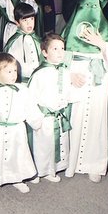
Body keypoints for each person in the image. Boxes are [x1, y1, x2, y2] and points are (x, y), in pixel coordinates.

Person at [61, 0, 108, 183]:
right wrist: (68, 75)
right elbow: (59, 57)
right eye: (84, 6)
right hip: (77, 80)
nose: (89, 10)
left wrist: (101, 45)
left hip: (98, 82)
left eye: (93, 6)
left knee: (96, 120)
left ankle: (94, 164)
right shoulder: (69, 32)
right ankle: (71, 163)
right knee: (75, 120)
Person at [0, 52, 43, 193]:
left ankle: (18, 179)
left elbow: (30, 108)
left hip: (16, 130)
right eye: (9, 71)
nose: (14, 75)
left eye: (15, 71)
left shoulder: (23, 90)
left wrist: (36, 123)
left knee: (18, 155)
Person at [28, 33, 79, 183]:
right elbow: (31, 98)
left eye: (62, 49)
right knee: (42, 146)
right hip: (44, 117)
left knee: (56, 144)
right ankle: (36, 171)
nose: (60, 52)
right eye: (55, 48)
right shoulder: (39, 73)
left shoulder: (64, 71)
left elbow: (68, 92)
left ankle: (51, 170)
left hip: (59, 115)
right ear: (44, 52)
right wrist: (36, 119)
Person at [3, 2, 43, 83]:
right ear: (17, 23)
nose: (29, 23)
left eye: (31, 19)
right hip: (22, 82)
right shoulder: (14, 42)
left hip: (38, 80)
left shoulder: (38, 39)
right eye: (25, 20)